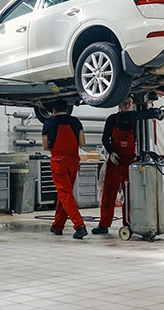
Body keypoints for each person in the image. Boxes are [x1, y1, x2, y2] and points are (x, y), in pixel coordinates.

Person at [41, 100, 88, 239]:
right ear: (67, 109)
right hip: (73, 161)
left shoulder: (48, 123)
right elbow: (82, 143)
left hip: (59, 162)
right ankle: (58, 226)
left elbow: (45, 146)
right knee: (65, 194)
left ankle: (79, 225)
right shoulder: (75, 121)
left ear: (53, 110)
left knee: (65, 194)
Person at [93, 96, 137, 235]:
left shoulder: (136, 120)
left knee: (130, 194)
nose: (127, 105)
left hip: (130, 161)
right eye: (125, 103)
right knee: (109, 193)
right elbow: (105, 139)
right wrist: (111, 153)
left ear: (133, 104)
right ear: (119, 105)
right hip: (115, 160)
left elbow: (141, 139)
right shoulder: (112, 119)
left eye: (129, 103)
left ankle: (128, 224)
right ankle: (104, 224)